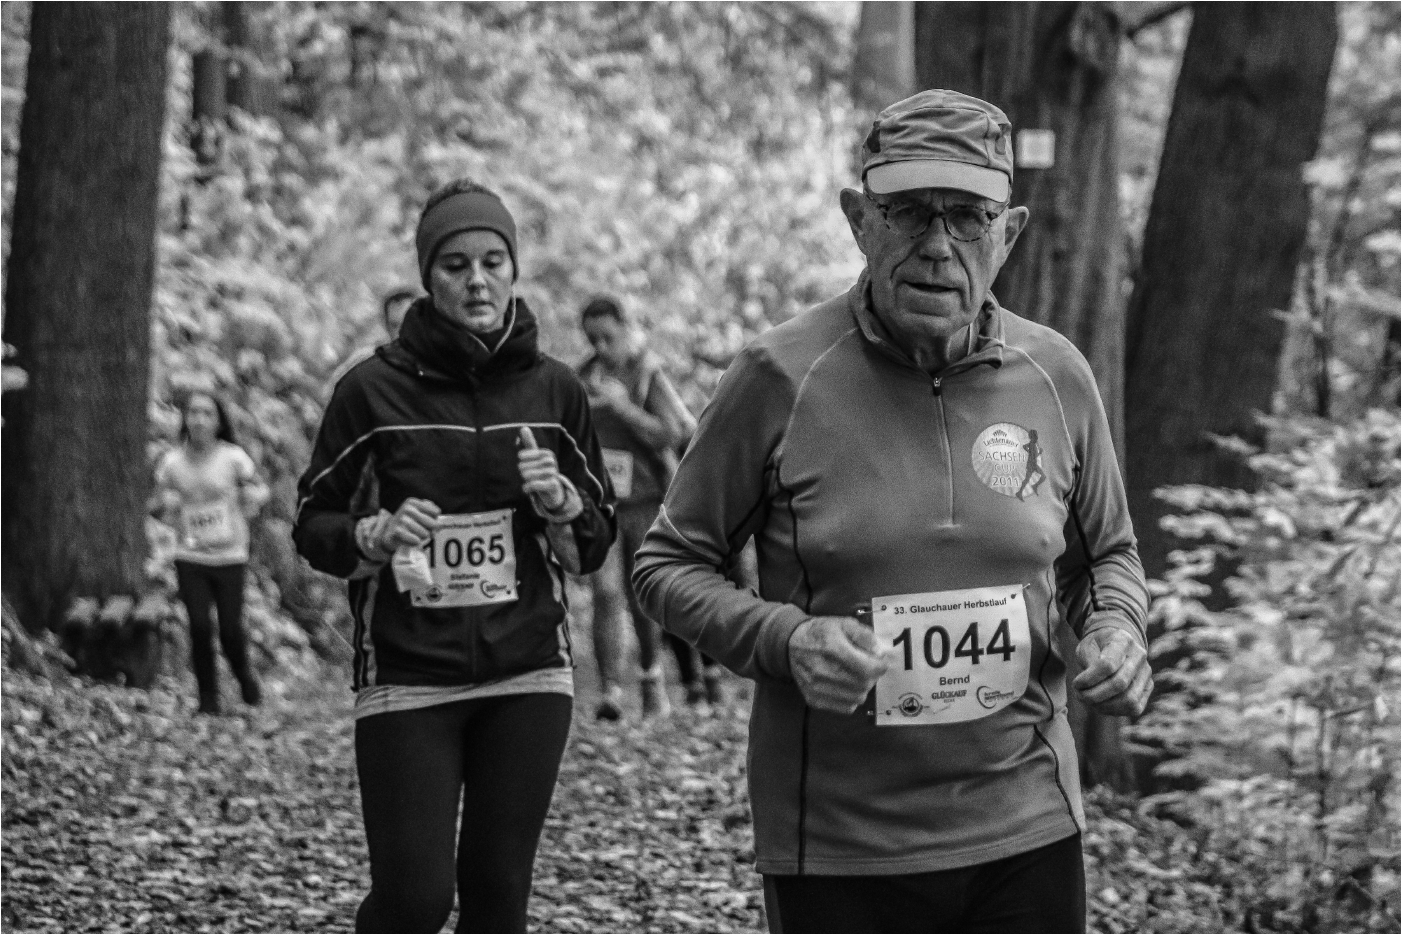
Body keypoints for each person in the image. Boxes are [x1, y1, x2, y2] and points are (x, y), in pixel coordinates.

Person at [633, 89, 1152, 933]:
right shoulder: (778, 377)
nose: (938, 246)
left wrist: (1118, 634)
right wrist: (788, 639)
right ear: (858, 219)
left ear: (1010, 232)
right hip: (839, 841)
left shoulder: (1058, 377)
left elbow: (1106, 559)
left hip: (1027, 822)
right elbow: (665, 566)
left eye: (968, 217)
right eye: (909, 212)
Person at [293, 179, 615, 934]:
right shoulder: (370, 391)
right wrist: (372, 534)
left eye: (494, 261)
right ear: (427, 277)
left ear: (514, 270)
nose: (477, 279)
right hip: (410, 674)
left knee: (498, 897)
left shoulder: (557, 390)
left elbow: (594, 542)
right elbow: (313, 522)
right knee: (415, 900)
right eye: (455, 264)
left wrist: (564, 505)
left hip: (528, 668)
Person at [575, 296, 718, 719]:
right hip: (600, 503)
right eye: (592, 339)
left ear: (626, 329)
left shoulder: (646, 373)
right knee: (604, 593)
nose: (600, 347)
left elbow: (674, 432)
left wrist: (622, 407)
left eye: (608, 337)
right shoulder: (581, 378)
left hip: (645, 500)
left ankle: (652, 679)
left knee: (643, 596)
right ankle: (609, 694)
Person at [155, 391, 270, 715]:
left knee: (231, 629)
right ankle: (208, 699)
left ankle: (245, 678)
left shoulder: (233, 458)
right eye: (193, 412)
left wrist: (252, 498)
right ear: (185, 419)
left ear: (218, 421)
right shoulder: (172, 463)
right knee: (200, 626)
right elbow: (156, 503)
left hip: (231, 555)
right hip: (190, 556)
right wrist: (167, 506)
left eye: (207, 413)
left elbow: (260, 490)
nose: (199, 419)